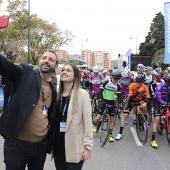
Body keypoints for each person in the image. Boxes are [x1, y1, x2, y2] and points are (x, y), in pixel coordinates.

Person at [0, 49, 58, 170]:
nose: (46, 61)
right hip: (17, 145)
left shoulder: (52, 88)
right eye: (44, 58)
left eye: (51, 60)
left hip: (40, 146)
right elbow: (6, 66)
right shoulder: (26, 72)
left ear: (56, 66)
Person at [53, 63, 93, 170]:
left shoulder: (82, 95)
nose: (64, 72)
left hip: (75, 147)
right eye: (63, 70)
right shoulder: (56, 94)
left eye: (68, 70)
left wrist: (88, 147)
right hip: (58, 147)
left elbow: (88, 123)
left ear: (75, 76)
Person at [115, 74, 150, 140]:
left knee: (144, 106)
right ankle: (120, 133)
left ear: (142, 82)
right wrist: (138, 91)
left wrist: (145, 102)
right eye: (136, 81)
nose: (137, 83)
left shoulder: (145, 87)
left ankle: (144, 120)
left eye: (139, 82)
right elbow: (131, 98)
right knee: (125, 116)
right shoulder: (132, 85)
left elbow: (148, 98)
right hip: (131, 101)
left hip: (139, 100)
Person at [93, 70, 121, 142]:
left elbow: (119, 96)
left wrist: (119, 106)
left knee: (112, 119)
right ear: (112, 77)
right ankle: (95, 124)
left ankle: (110, 134)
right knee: (98, 117)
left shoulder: (118, 85)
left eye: (117, 80)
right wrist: (101, 100)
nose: (115, 81)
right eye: (115, 79)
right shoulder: (106, 82)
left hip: (111, 103)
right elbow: (100, 91)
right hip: (104, 101)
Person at [150, 74, 170, 148]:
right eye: (168, 81)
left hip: (165, 100)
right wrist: (165, 104)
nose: (169, 83)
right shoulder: (159, 86)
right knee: (157, 119)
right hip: (157, 101)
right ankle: (153, 139)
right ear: (165, 81)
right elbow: (159, 99)